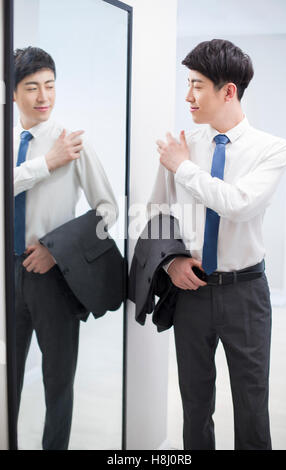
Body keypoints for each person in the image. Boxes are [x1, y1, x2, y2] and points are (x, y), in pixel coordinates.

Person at [151, 39, 286, 450]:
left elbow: (238, 205)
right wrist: (171, 263)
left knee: (251, 405)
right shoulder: (181, 143)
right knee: (194, 406)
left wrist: (184, 167)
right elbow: (156, 214)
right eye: (187, 83)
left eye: (197, 85)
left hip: (245, 293)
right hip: (190, 291)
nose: (188, 95)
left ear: (228, 91)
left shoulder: (272, 149)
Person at [13, 46, 118, 450]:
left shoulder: (72, 143)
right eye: (32, 87)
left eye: (50, 86)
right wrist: (45, 163)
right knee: (8, 376)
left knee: (58, 380)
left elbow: (107, 211)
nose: (44, 97)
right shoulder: (10, 142)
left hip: (54, 277)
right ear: (13, 91)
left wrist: (58, 250)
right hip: (7, 275)